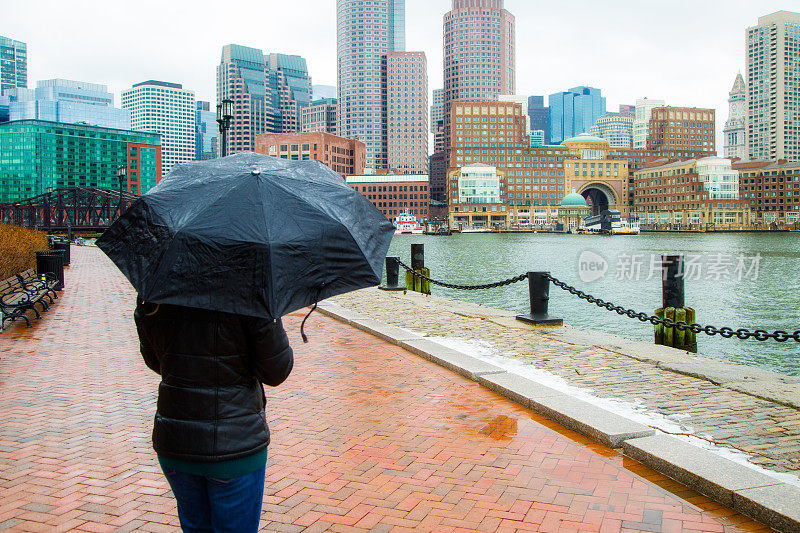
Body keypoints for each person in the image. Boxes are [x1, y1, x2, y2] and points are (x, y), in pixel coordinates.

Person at [134, 297, 294, 532]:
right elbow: (277, 371)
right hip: (235, 445)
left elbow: (156, 361)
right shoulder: (251, 292)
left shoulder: (154, 292)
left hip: (177, 439)